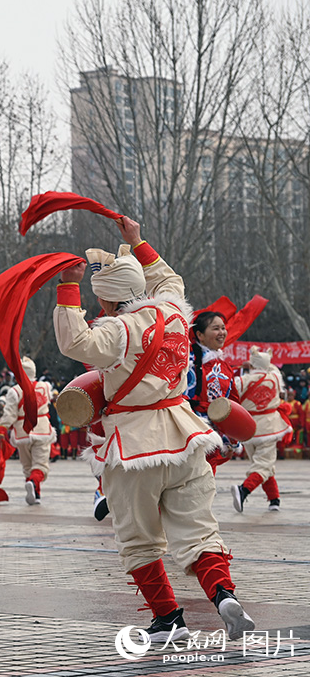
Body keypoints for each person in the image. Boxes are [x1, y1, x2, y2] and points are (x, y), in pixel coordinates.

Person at [54, 217, 254, 642]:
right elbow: (171, 279)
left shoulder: (117, 329)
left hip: (135, 446)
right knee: (199, 530)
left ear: (106, 302)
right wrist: (138, 242)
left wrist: (68, 288)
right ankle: (223, 596)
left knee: (138, 538)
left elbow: (74, 344)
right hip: (186, 437)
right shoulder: (176, 314)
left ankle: (168, 618)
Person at [232, 346, 288, 512]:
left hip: (248, 428)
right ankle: (243, 490)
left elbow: (232, 394)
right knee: (263, 466)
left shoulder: (241, 381)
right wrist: (260, 363)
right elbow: (273, 368)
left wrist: (247, 367)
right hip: (269, 427)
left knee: (263, 465)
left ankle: (274, 499)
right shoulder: (275, 377)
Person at [186, 311, 241, 472]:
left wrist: (232, 436)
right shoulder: (187, 362)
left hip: (214, 433)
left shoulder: (225, 367)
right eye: (216, 328)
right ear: (200, 335)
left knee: (207, 480)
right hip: (189, 430)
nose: (222, 332)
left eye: (223, 328)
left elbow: (232, 403)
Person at [0, 356, 56, 505]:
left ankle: (35, 494)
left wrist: (3, 427)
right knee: (40, 465)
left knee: (27, 466)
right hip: (42, 429)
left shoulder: (14, 391)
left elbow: (9, 413)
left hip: (22, 431)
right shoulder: (45, 387)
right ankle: (34, 485)